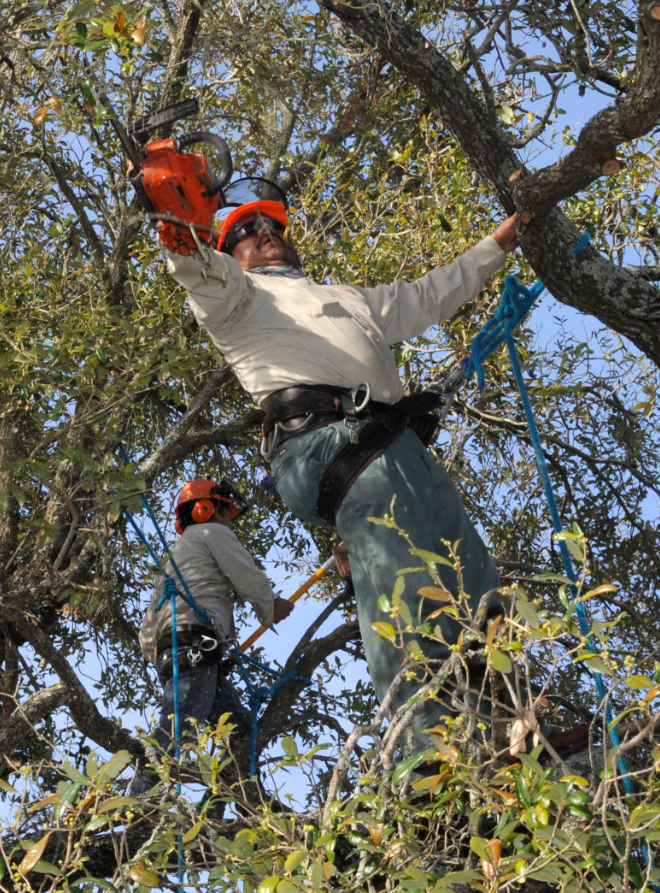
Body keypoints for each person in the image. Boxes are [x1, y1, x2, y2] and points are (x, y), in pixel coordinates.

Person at [161, 184, 520, 751]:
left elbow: (430, 294)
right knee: (406, 581)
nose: (266, 234)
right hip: (331, 444)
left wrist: (504, 238)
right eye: (247, 231)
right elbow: (196, 267)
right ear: (230, 252)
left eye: (274, 226)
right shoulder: (237, 295)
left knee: (472, 577)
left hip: (395, 446)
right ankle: (430, 758)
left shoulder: (349, 297)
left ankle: (511, 734)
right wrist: (177, 220)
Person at [128, 479, 293, 795]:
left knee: (242, 733)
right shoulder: (212, 533)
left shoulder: (175, 557)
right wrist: (271, 604)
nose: (230, 521)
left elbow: (148, 630)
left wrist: (161, 654)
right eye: (227, 512)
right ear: (206, 510)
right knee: (180, 725)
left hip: (182, 652)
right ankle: (139, 801)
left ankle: (240, 802)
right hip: (194, 647)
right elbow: (245, 574)